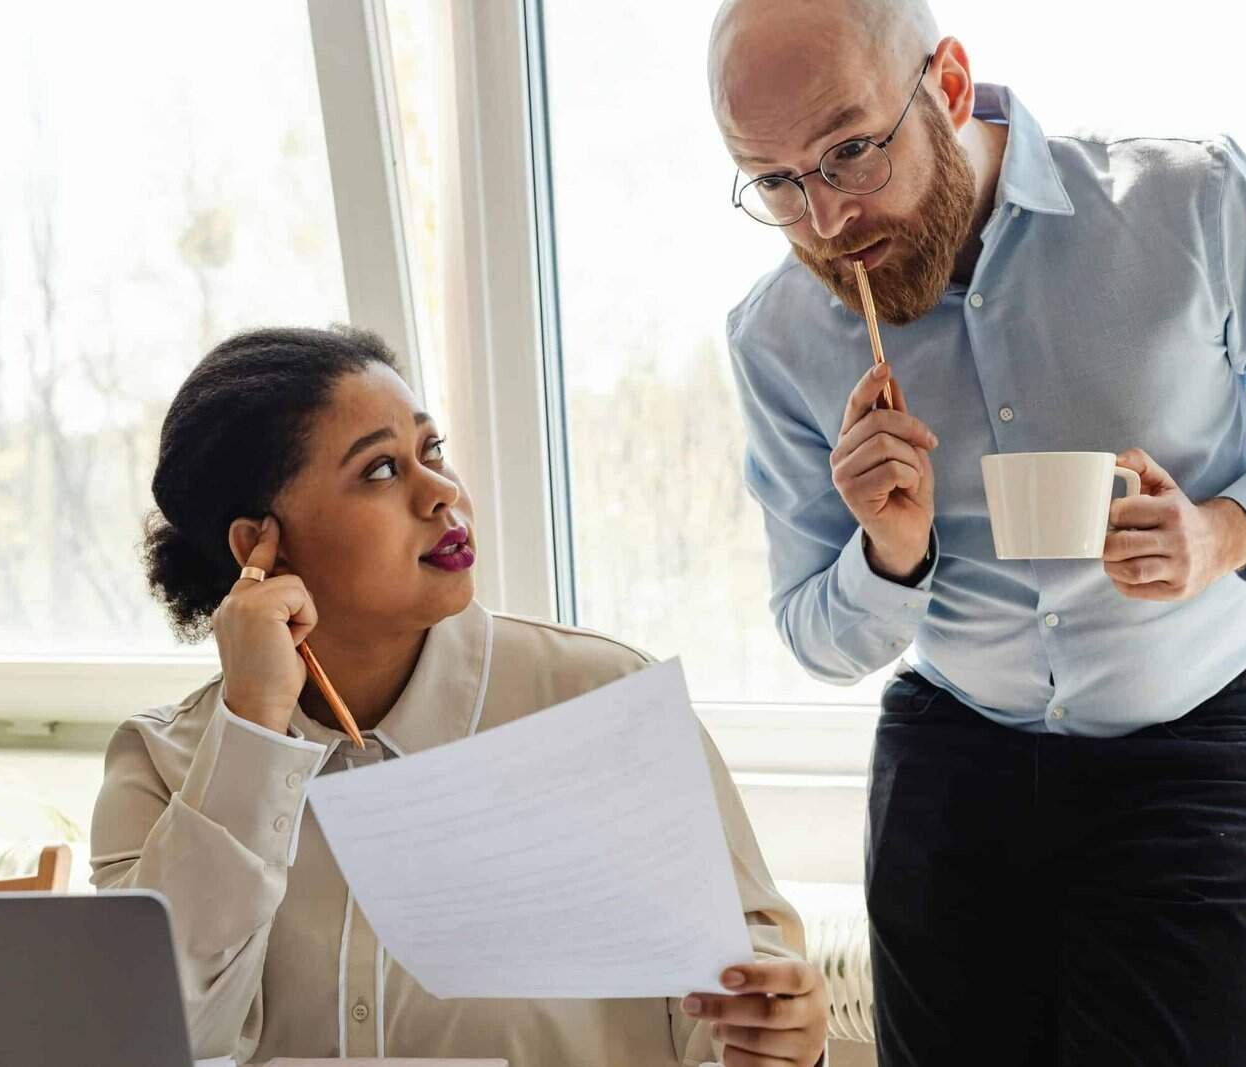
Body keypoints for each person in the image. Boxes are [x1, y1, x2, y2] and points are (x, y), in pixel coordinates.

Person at [707, 1, 1246, 1064]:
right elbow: (817, 634)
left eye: (850, 151)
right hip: (954, 748)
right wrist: (888, 552)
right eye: (775, 180)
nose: (824, 219)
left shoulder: (1192, 201)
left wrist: (1222, 533)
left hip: (1192, 741)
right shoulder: (776, 337)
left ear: (947, 84)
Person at [90, 325, 829, 1067]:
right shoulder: (160, 765)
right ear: (261, 545)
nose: (441, 491)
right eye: (380, 470)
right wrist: (250, 733)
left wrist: (777, 1038)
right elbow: (154, 1040)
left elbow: (735, 1009)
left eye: (430, 450)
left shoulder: (605, 702)